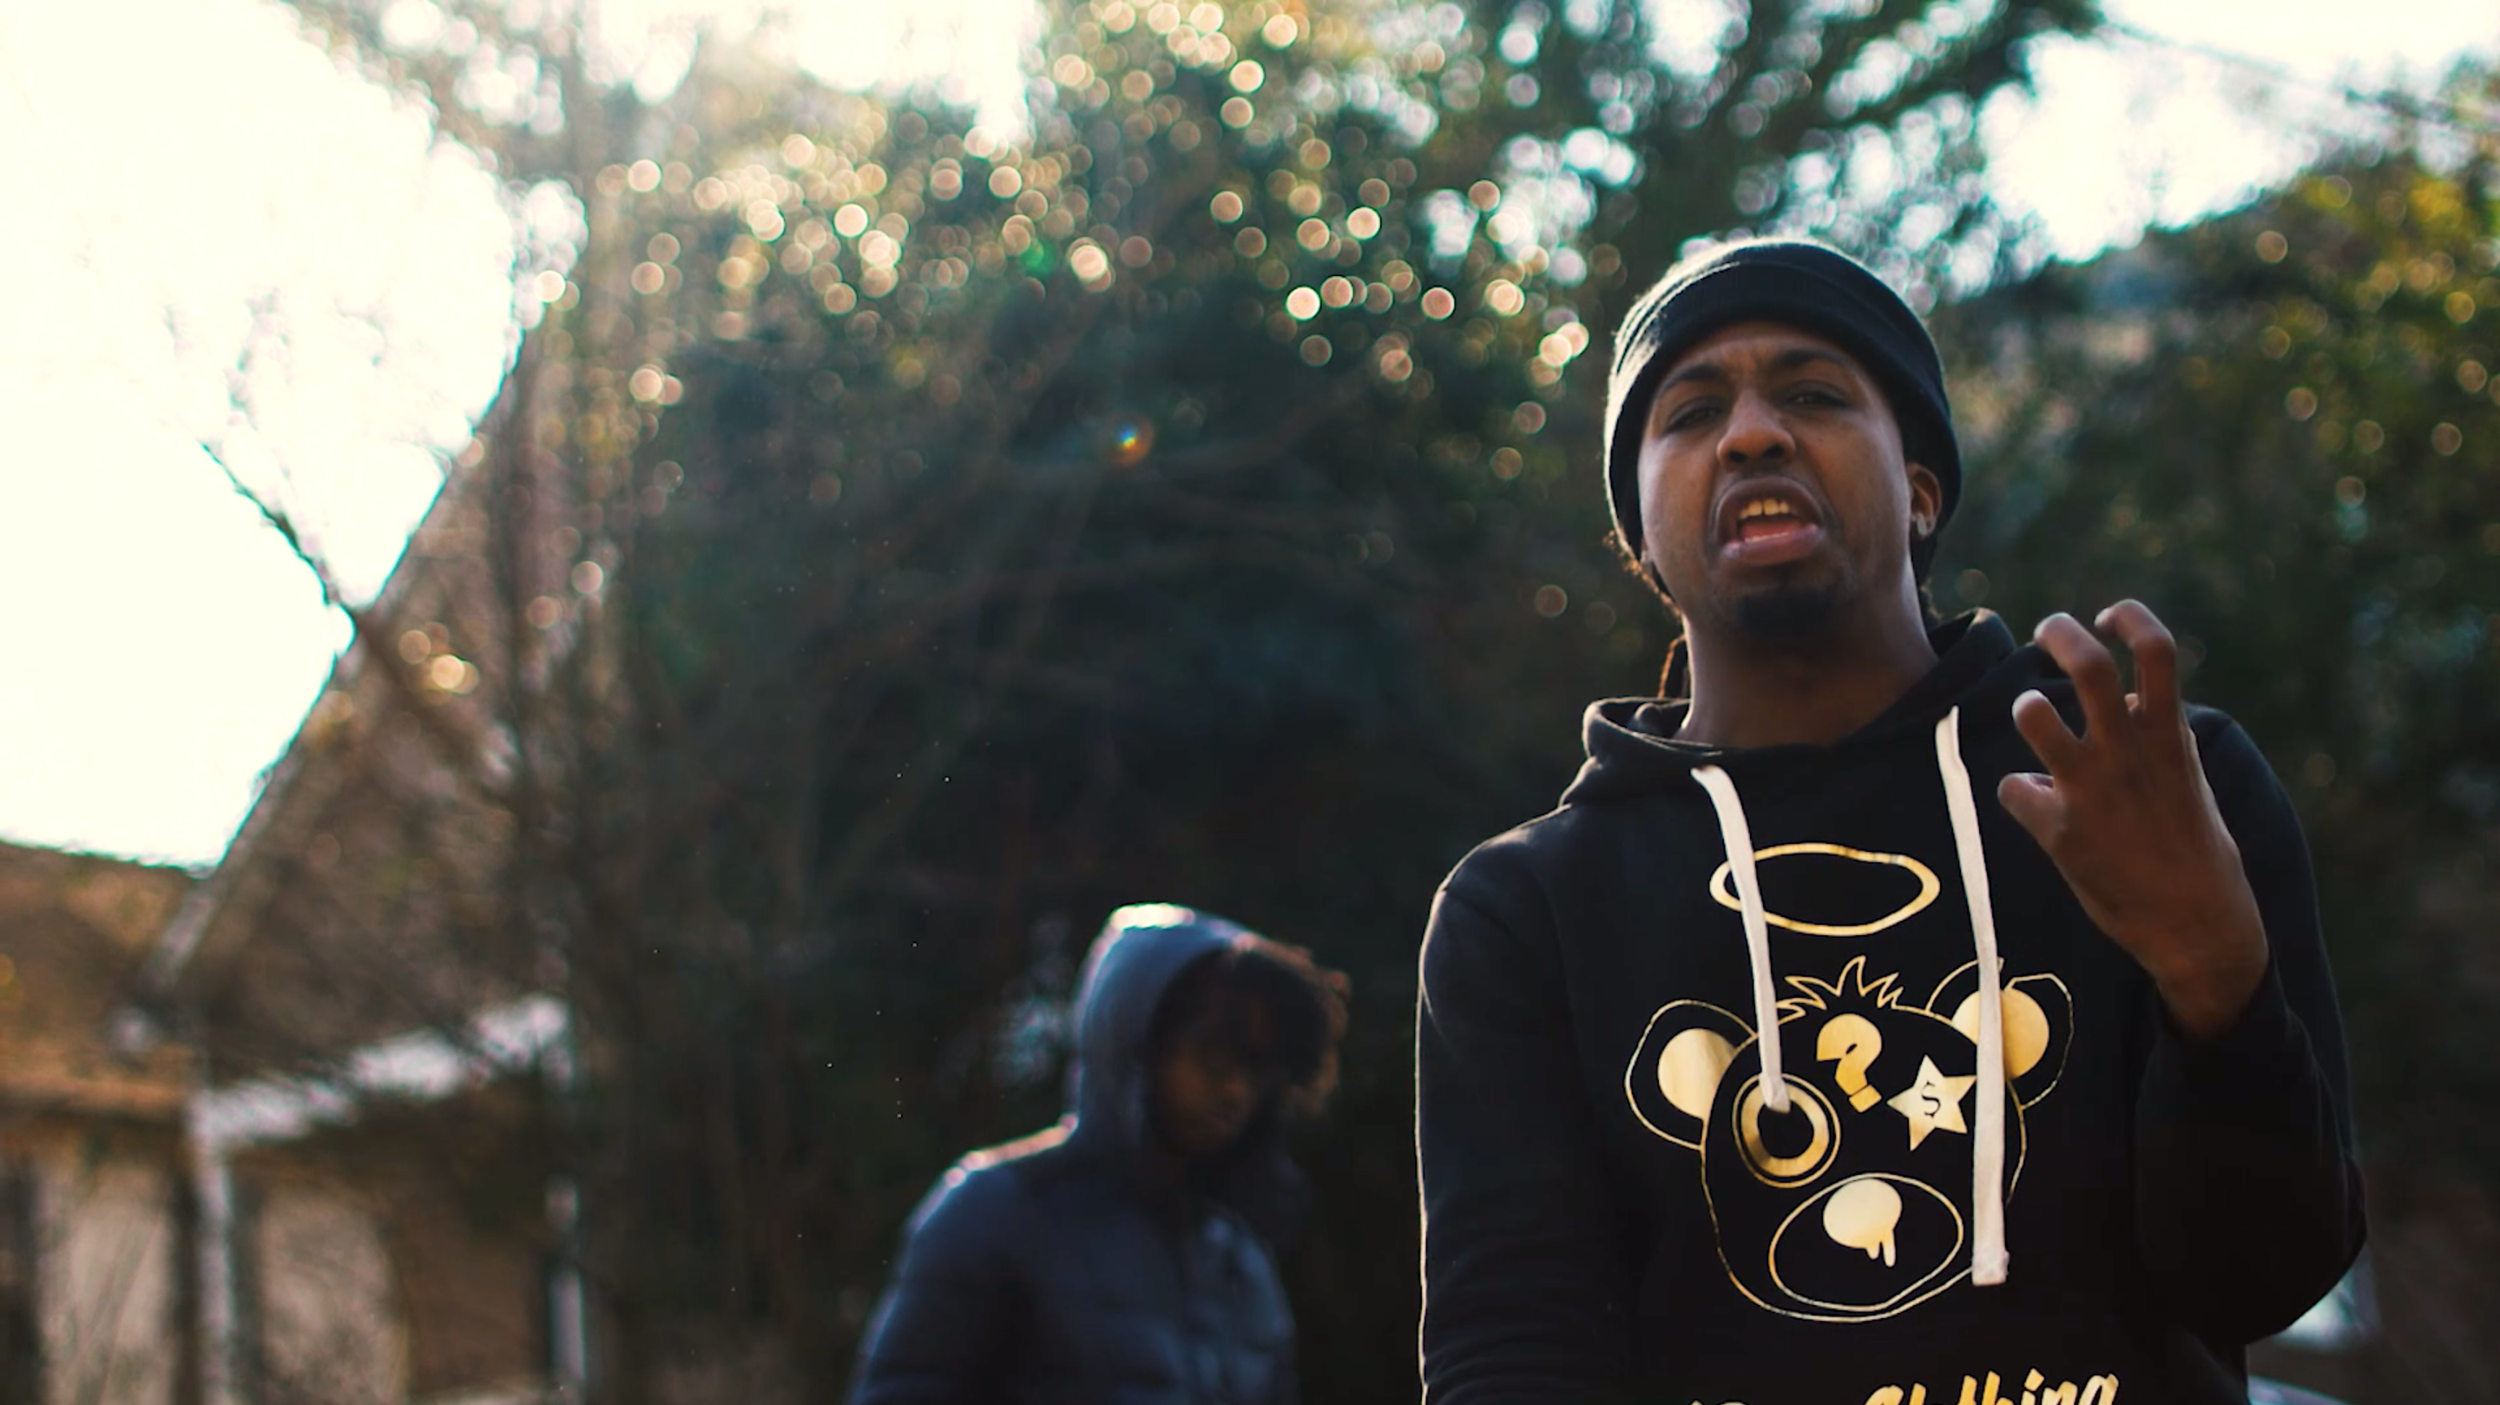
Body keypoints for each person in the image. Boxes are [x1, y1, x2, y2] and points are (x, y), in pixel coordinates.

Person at [1416, 239, 2364, 1405]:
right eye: (1691, 412)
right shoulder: (1527, 907)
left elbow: (2261, 1278)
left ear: (1920, 489)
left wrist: (2214, 982)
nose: (1751, 434)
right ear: (1641, 538)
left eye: (1813, 393)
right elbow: (1511, 1351)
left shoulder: (2146, 787)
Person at [851, 903, 1348, 1404]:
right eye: (1213, 1053)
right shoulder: (995, 1211)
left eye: (1256, 1067)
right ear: (1137, 1037)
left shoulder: (1239, 1261)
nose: (1236, 1090)